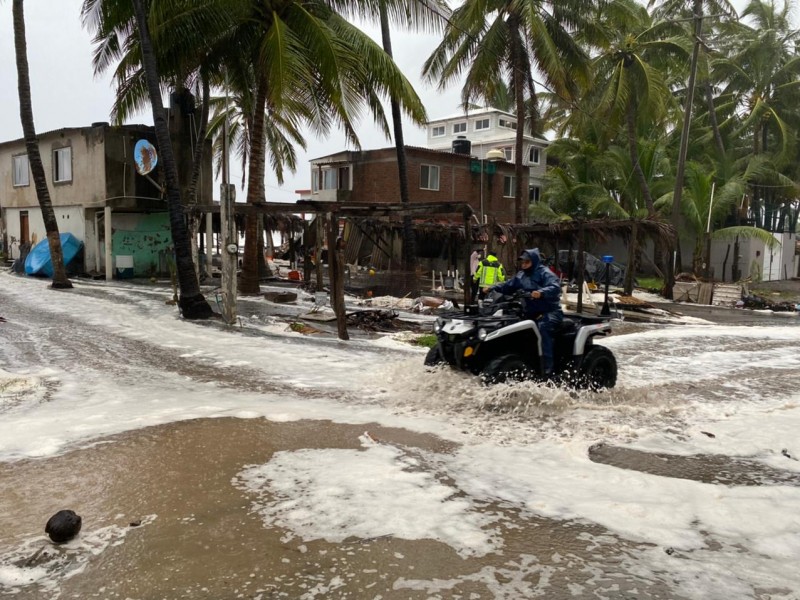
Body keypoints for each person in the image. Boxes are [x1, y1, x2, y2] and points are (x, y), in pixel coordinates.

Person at [485, 248, 563, 376]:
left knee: (544, 327)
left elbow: (555, 287)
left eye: (527, 262)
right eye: (522, 262)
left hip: (550, 311)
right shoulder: (521, 275)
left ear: (534, 261)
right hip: (529, 311)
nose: (524, 265)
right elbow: (508, 285)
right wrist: (493, 288)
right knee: (510, 324)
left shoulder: (545, 273)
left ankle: (548, 369)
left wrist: (541, 293)